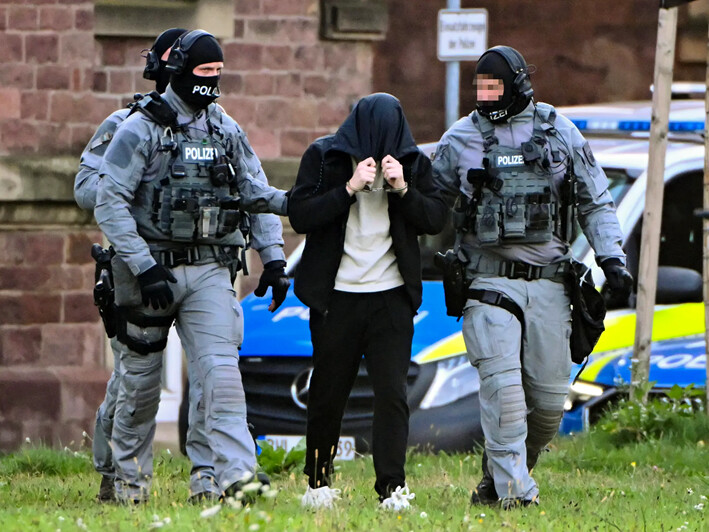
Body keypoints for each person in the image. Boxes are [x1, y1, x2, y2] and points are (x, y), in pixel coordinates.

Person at [431, 45, 633, 508]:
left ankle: (501, 471)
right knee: (503, 390)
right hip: (487, 281)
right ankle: (516, 495)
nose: (484, 95)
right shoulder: (460, 138)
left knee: (545, 406)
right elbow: (429, 204)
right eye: (479, 87)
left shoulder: (560, 133)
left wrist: (612, 259)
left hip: (548, 281)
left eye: (494, 86)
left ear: (519, 84)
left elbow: (595, 200)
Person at [93, 29, 290, 504]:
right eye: (203, 72)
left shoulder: (225, 129)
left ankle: (233, 478)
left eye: (218, 73)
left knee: (221, 374)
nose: (211, 82)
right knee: (139, 387)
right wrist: (142, 267)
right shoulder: (139, 128)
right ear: (179, 70)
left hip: (209, 268)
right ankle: (128, 485)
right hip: (148, 273)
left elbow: (255, 194)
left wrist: (275, 258)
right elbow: (108, 199)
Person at [288, 93, 448, 510]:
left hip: (390, 297)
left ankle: (392, 489)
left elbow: (434, 219)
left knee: (391, 394)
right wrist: (349, 188)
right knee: (327, 391)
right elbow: (301, 214)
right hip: (336, 297)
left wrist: (402, 189)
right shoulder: (325, 156)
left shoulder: (413, 164)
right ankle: (318, 483)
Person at [75, 28, 189, 503]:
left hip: (194, 265)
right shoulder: (125, 123)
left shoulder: (213, 126)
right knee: (132, 378)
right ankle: (111, 473)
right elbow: (86, 190)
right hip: (132, 270)